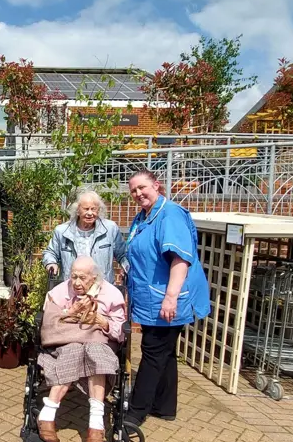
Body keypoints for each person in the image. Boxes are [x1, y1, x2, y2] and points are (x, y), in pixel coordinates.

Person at [124, 169, 210, 425]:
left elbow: (181, 259)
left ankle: (135, 414)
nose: (138, 193)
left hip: (167, 299)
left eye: (142, 187)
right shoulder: (144, 216)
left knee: (152, 352)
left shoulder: (170, 214)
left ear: (156, 185)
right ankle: (164, 406)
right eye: (133, 190)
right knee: (165, 353)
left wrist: (171, 297)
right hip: (150, 298)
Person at [36, 257, 126, 442]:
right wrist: (71, 311)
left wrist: (103, 322)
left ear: (94, 277)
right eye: (73, 276)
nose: (76, 283)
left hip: (100, 341)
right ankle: (47, 414)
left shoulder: (111, 294)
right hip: (68, 340)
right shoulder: (60, 291)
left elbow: (121, 331)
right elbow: (48, 321)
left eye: (82, 278)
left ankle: (96, 423)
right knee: (73, 351)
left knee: (97, 354)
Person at [43, 189, 129, 283]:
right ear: (77, 210)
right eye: (86, 209)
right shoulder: (62, 231)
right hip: (73, 284)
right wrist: (51, 263)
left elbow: (122, 254)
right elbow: (51, 252)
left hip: (101, 285)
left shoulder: (110, 229)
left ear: (98, 210)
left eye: (93, 209)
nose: (90, 213)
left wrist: (125, 267)